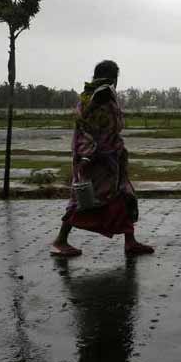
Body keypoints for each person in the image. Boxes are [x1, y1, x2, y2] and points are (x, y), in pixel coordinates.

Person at [51, 60, 154, 257]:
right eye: (115, 77)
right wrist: (87, 156)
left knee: (124, 195)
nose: (115, 82)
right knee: (84, 200)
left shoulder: (104, 96)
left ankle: (130, 241)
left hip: (112, 159)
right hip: (96, 160)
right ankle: (60, 240)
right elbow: (85, 128)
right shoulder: (93, 97)